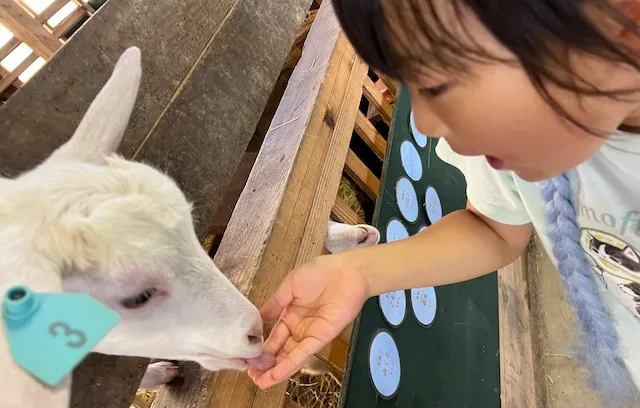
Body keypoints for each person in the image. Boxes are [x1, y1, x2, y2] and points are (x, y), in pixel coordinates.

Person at [248, 0, 640, 404]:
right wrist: (359, 272)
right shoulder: (520, 134)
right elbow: (495, 229)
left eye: (437, 84)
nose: (427, 124)